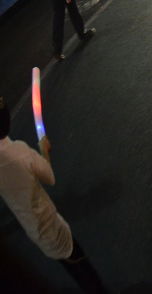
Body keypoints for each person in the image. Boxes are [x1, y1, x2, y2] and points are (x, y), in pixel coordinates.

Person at [0, 97, 107, 293]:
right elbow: (49, 177)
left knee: (70, 265)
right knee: (81, 267)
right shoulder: (20, 152)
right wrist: (43, 150)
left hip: (33, 229)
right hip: (51, 226)